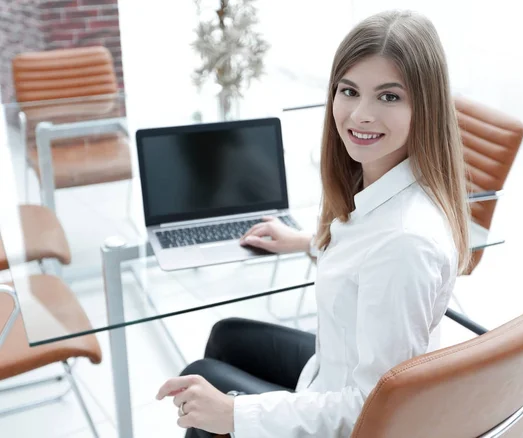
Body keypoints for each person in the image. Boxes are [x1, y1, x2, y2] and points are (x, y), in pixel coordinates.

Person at [156, 9, 471, 438]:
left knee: (202, 383)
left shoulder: (406, 243)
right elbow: (367, 251)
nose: (361, 114)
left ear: (426, 107)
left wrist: (235, 415)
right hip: (332, 370)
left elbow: (374, 410)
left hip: (350, 415)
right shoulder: (383, 182)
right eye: (349, 91)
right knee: (226, 336)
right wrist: (307, 241)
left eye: (389, 96)